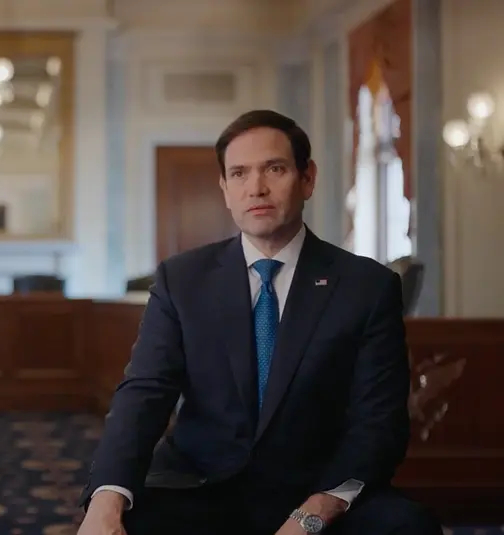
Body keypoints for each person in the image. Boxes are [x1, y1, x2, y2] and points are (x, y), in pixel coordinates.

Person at [77, 110, 441, 535]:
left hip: (317, 487)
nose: (256, 188)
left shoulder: (366, 286)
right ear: (225, 190)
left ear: (307, 179)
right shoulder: (183, 279)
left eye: (274, 169)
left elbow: (378, 422)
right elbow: (144, 393)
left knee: (407, 527)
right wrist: (106, 497)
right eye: (239, 173)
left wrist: (313, 515)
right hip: (200, 487)